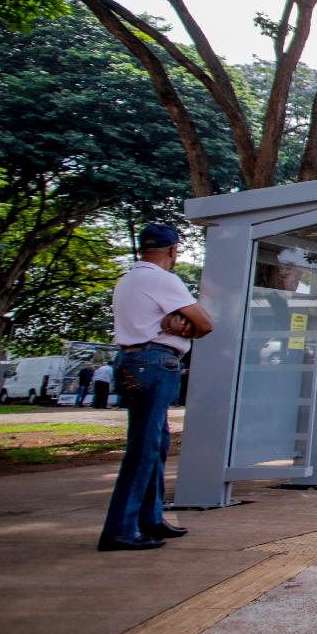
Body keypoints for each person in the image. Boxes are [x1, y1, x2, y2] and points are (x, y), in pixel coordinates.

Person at [98, 224, 213, 552]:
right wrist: (182, 326)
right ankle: (120, 528)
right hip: (154, 362)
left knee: (156, 441)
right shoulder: (162, 279)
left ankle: (150, 517)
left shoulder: (128, 280)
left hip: (131, 362)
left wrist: (176, 323)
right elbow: (205, 324)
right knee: (145, 446)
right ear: (173, 250)